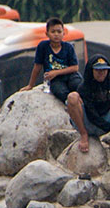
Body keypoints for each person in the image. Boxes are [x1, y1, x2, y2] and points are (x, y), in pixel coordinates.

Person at [27, 18, 90, 148]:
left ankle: (85, 108)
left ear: (63, 33)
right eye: (53, 31)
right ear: (47, 33)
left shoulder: (68, 47)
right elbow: (37, 66)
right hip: (56, 80)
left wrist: (56, 72)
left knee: (79, 87)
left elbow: (75, 68)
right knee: (61, 92)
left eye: (59, 31)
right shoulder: (43, 47)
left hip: (69, 75)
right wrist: (30, 85)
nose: (56, 34)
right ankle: (73, 110)